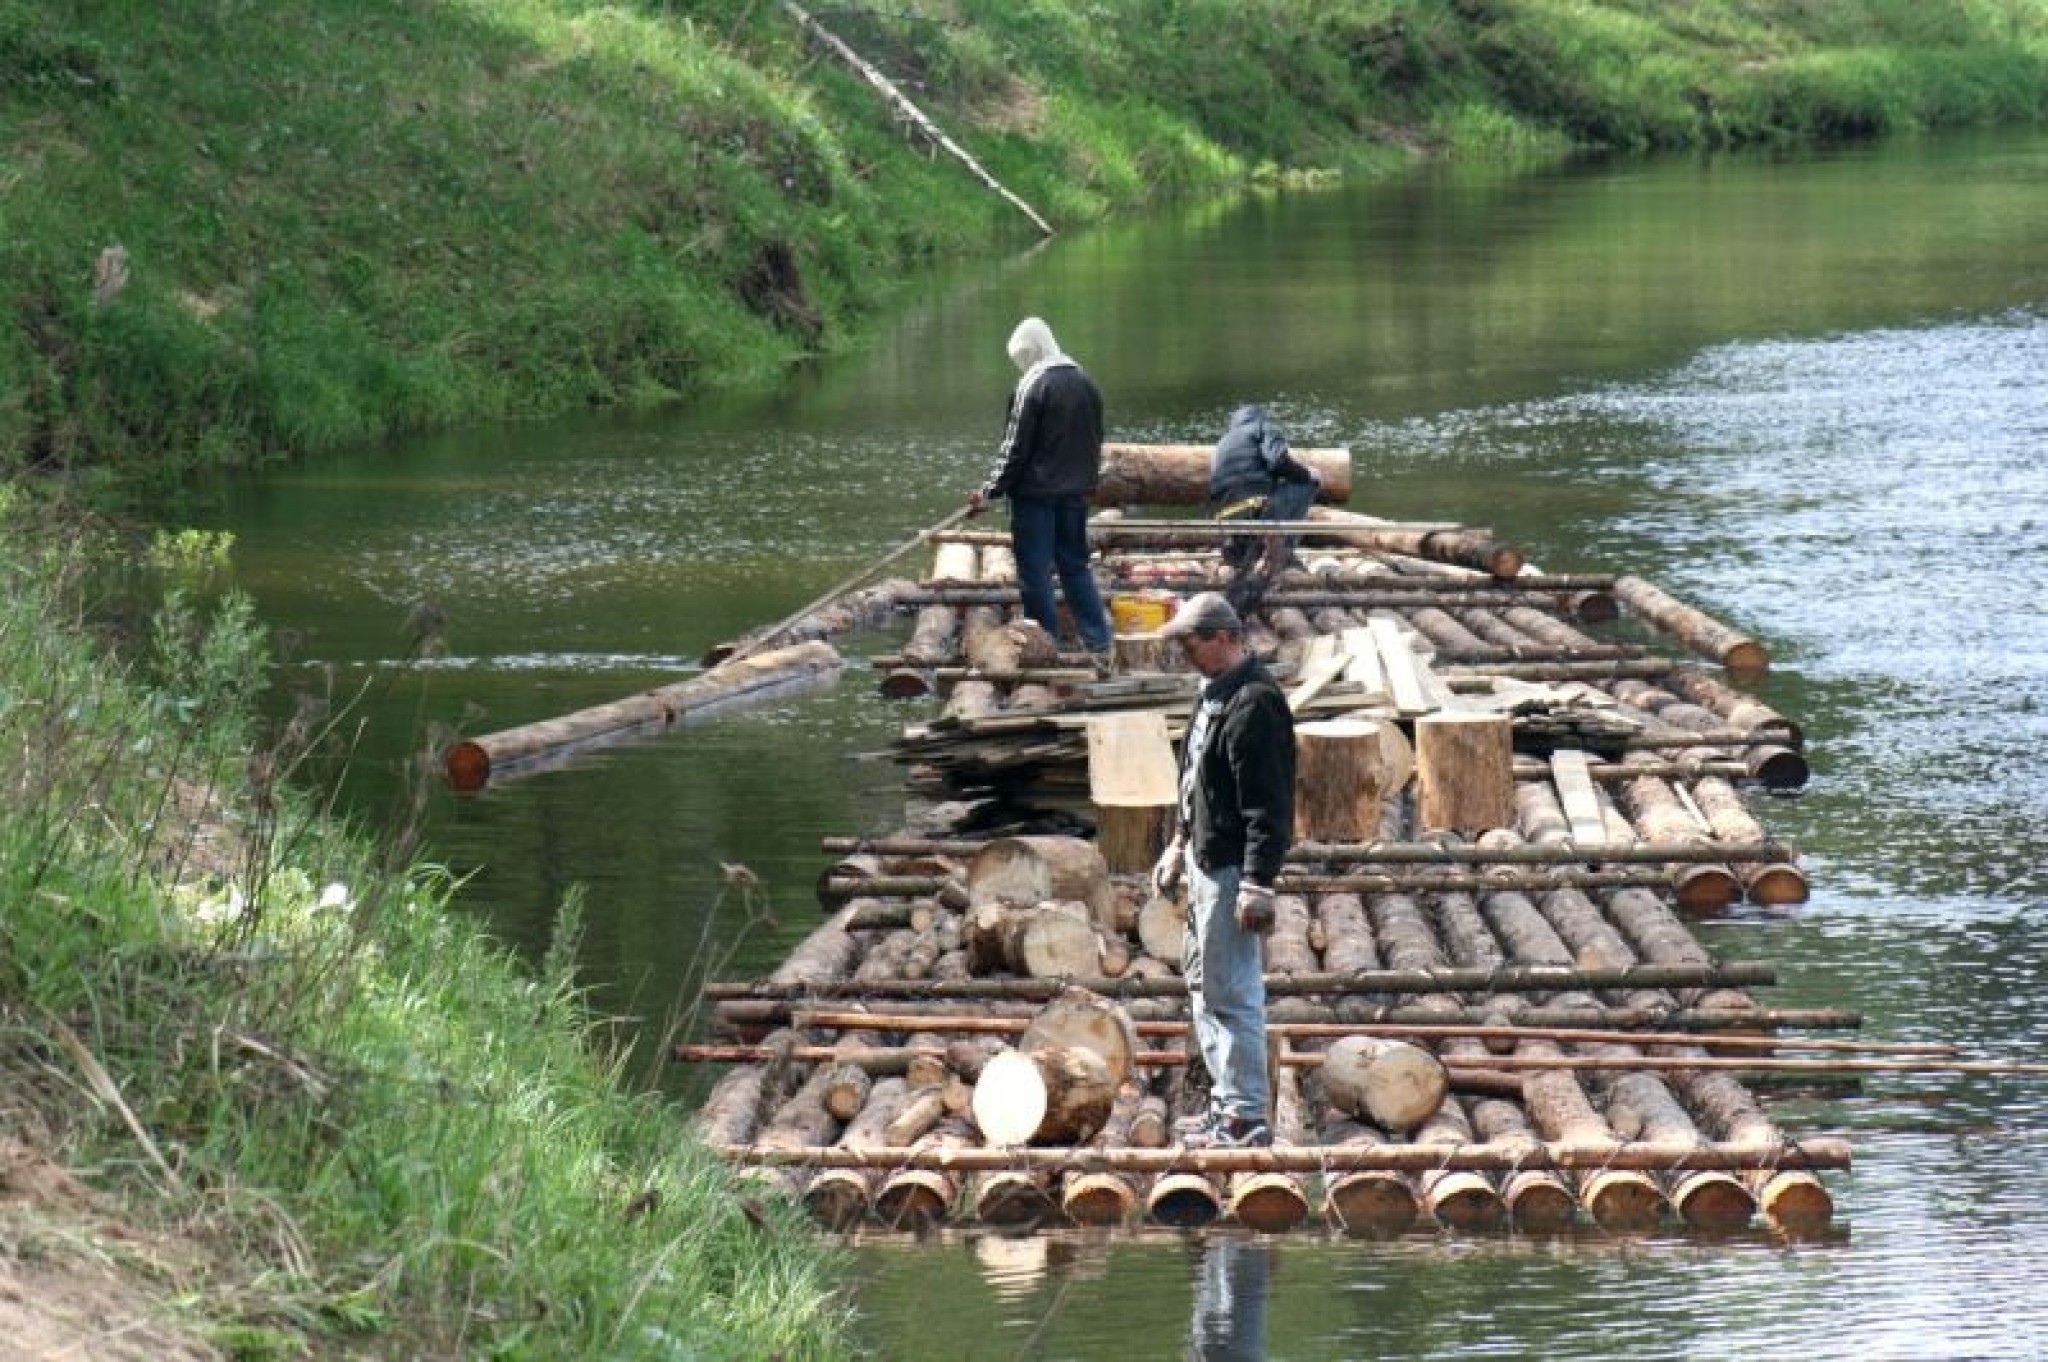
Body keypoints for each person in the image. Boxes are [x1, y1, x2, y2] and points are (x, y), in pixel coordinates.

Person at [1149, 591, 1296, 1149]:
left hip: (1234, 869)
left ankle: (1245, 1118)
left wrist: (1258, 882)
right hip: (1204, 861)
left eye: (1191, 642)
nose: (1184, 652)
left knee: (1232, 994)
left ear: (1224, 638)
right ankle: (1223, 1104)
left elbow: (1269, 805)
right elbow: (1197, 784)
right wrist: (1178, 845)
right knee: (1204, 988)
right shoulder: (1212, 696)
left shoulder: (1255, 703)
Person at [966, 317, 1114, 658]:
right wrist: (1087, 483)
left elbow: (1014, 449)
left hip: (1035, 497)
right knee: (1075, 566)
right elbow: (1095, 440)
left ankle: (1045, 643)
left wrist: (989, 491)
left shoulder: (1032, 385)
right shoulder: (1085, 382)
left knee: (1034, 571)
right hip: (1076, 493)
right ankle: (1099, 641)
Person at [1208, 403, 1322, 612]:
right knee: (1307, 482)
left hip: (1227, 517)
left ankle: (1243, 547)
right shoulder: (1263, 428)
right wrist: (1309, 473)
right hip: (1259, 510)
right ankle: (1284, 551)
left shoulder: (1223, 442)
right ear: (1261, 418)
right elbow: (1279, 461)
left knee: (1261, 495)